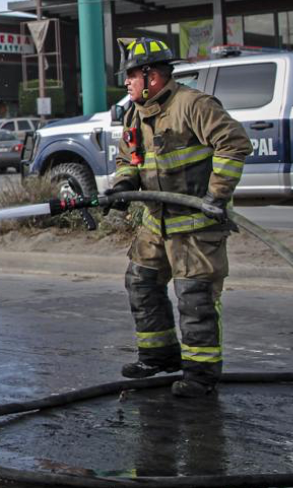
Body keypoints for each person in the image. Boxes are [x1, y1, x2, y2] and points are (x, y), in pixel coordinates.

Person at [105, 37, 251, 398]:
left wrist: (218, 195)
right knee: (141, 283)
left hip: (196, 228)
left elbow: (234, 143)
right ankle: (159, 355)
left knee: (195, 298)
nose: (126, 82)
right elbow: (130, 159)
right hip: (156, 224)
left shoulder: (193, 105)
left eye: (131, 75)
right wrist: (124, 184)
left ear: (151, 76)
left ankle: (201, 376)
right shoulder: (134, 113)